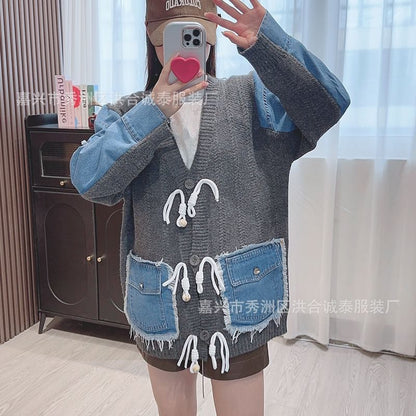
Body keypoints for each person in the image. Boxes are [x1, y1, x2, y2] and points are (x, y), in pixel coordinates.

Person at [70, 0, 350, 415]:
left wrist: (267, 44)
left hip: (239, 301)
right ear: (151, 38)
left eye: (194, 32)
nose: (183, 45)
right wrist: (153, 112)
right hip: (161, 304)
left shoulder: (255, 100)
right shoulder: (126, 113)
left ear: (211, 36)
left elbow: (329, 104)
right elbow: (89, 179)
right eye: (169, 34)